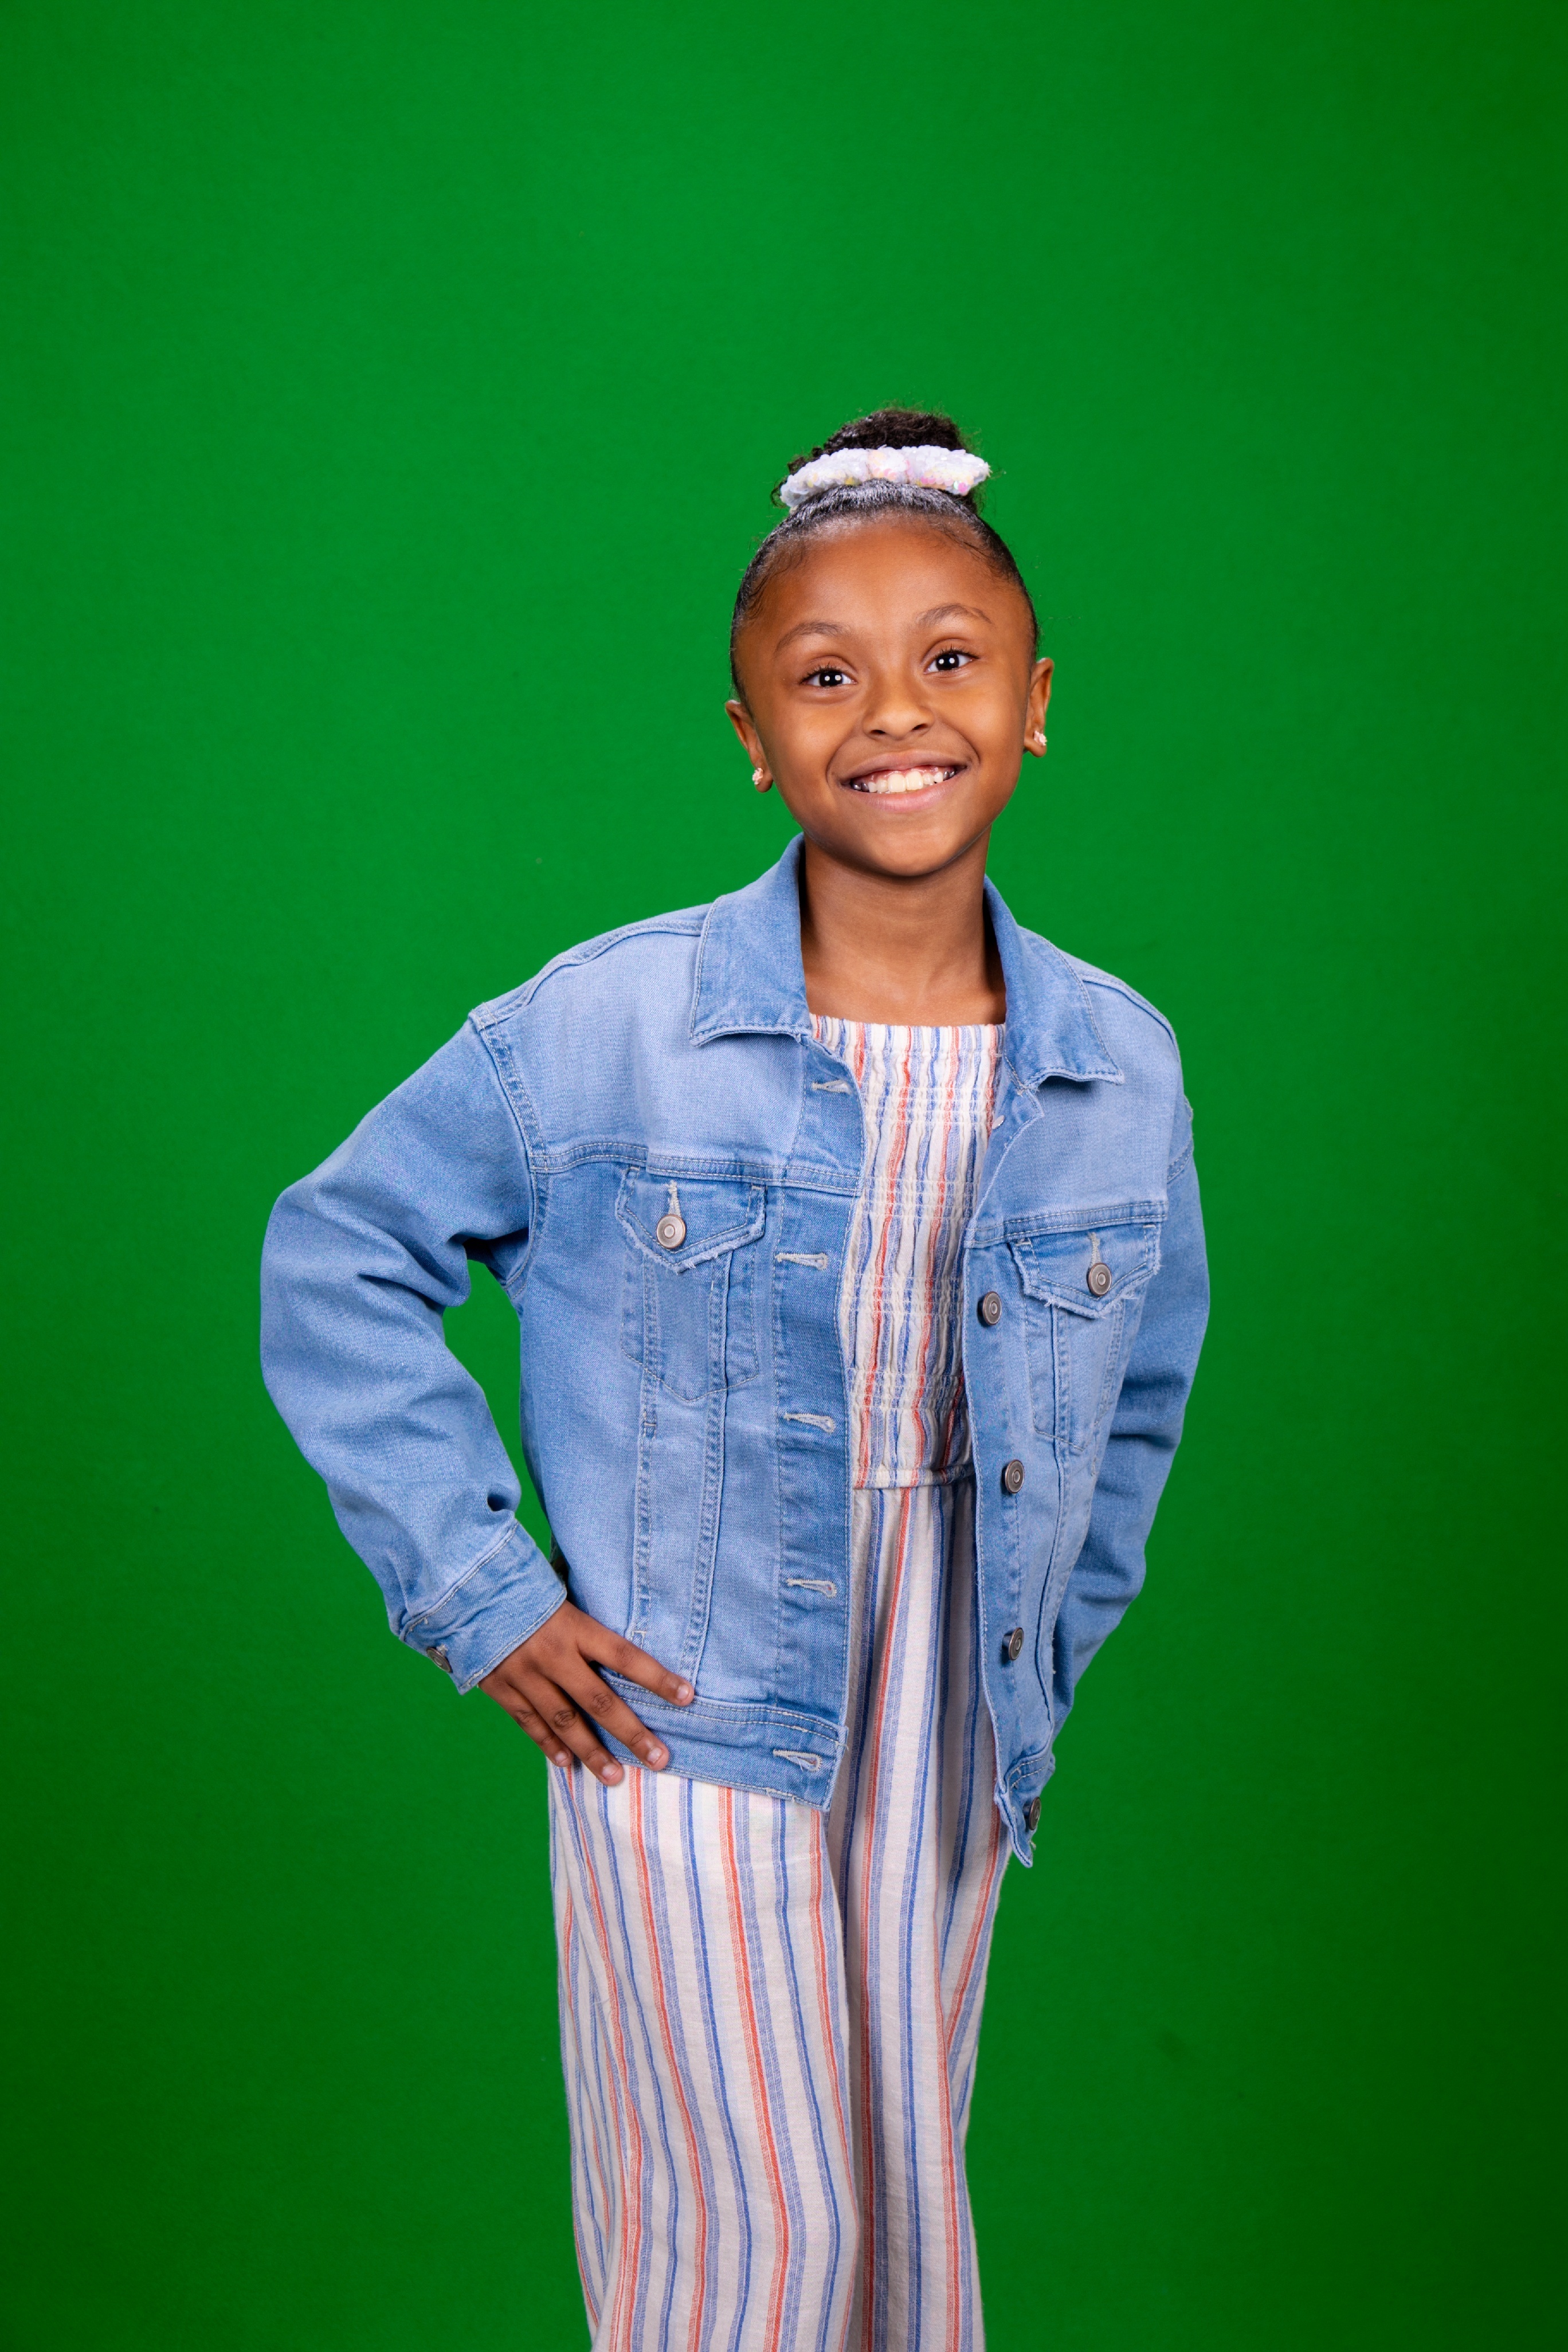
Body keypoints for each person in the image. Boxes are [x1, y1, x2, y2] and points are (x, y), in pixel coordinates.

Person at [260, 407, 1209, 2352]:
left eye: (951, 657)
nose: (896, 711)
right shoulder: (610, 1026)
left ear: (1035, 704)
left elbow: (1137, 1398)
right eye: (827, 676)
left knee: (900, 2207)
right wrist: (485, 1593)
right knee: (745, 2232)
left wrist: (1040, 1642)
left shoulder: (1119, 1062)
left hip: (951, 1710)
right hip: (688, 1709)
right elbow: (339, 1255)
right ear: (754, 737)